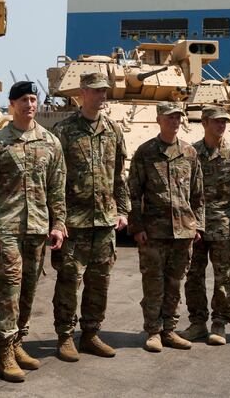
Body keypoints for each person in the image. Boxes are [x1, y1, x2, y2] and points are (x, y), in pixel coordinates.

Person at [0, 80, 67, 383]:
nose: (29, 104)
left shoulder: (50, 143)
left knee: (28, 290)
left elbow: (56, 189)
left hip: (38, 227)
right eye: (23, 100)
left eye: (32, 99)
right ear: (11, 105)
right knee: (8, 292)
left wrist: (58, 223)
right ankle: (4, 353)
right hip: (8, 228)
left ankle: (18, 343)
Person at [50, 71, 129, 362]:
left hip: (104, 222)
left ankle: (92, 333)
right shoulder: (64, 131)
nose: (102, 96)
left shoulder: (113, 130)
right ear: (82, 93)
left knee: (100, 281)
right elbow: (55, 180)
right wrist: (57, 219)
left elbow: (119, 175)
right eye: (96, 91)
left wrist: (123, 210)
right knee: (70, 280)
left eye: (104, 91)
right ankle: (65, 336)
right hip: (74, 222)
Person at [127, 101, 205, 352]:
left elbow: (198, 194)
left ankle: (169, 329)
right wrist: (137, 227)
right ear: (159, 119)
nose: (174, 121)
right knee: (153, 282)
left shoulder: (189, 153)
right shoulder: (145, 152)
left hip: (183, 231)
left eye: (178, 117)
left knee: (174, 283)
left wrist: (198, 226)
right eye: (169, 117)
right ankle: (153, 331)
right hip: (154, 232)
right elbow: (134, 192)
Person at [180, 106, 230, 345]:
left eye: (224, 122)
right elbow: (184, 191)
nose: (221, 125)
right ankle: (197, 323)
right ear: (204, 123)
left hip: (225, 226)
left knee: (223, 277)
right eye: (216, 121)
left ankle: (220, 323)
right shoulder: (191, 153)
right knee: (193, 276)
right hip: (196, 228)